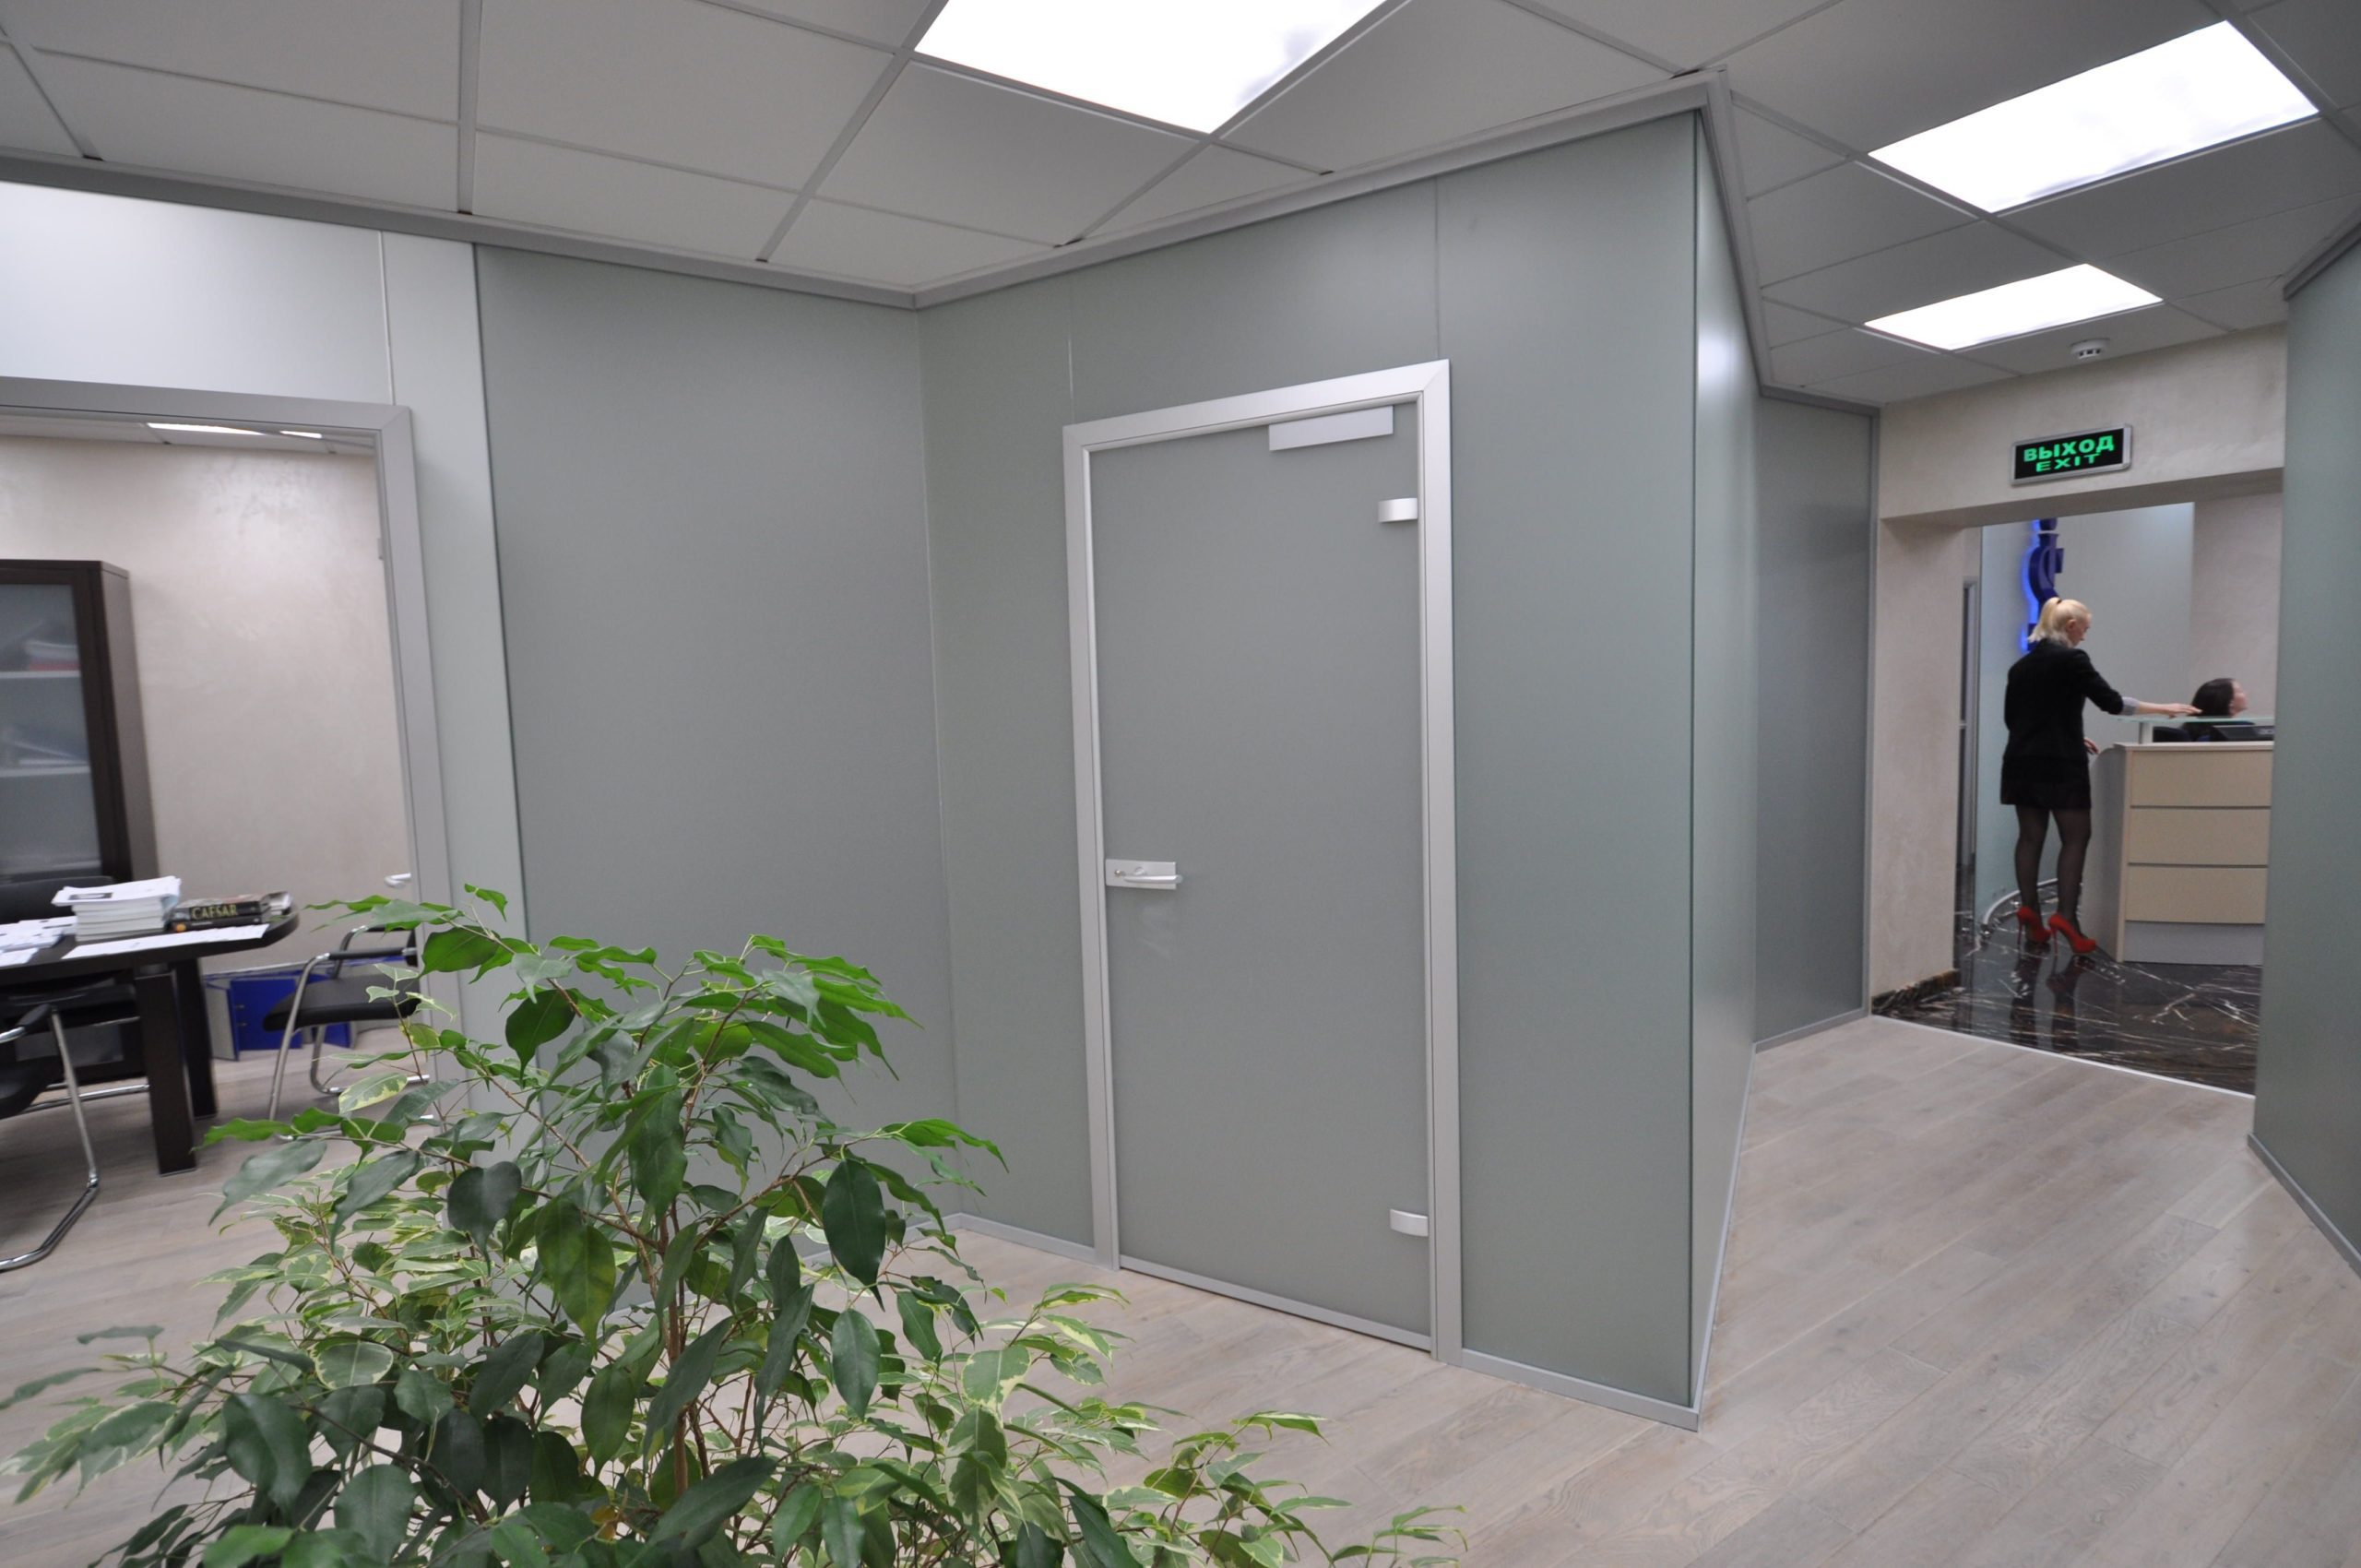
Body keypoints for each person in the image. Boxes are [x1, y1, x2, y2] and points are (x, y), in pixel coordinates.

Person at [2001, 598, 2198, 955]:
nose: (2085, 637)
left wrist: (2068, 735)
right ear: (2071, 625)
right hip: (2061, 764)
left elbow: (2016, 720)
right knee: (2076, 837)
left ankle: (2030, 912)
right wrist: (2164, 708)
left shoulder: (2021, 666)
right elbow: (2111, 702)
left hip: (2021, 762)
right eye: (2085, 629)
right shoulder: (2073, 659)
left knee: (2029, 837)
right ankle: (2066, 918)